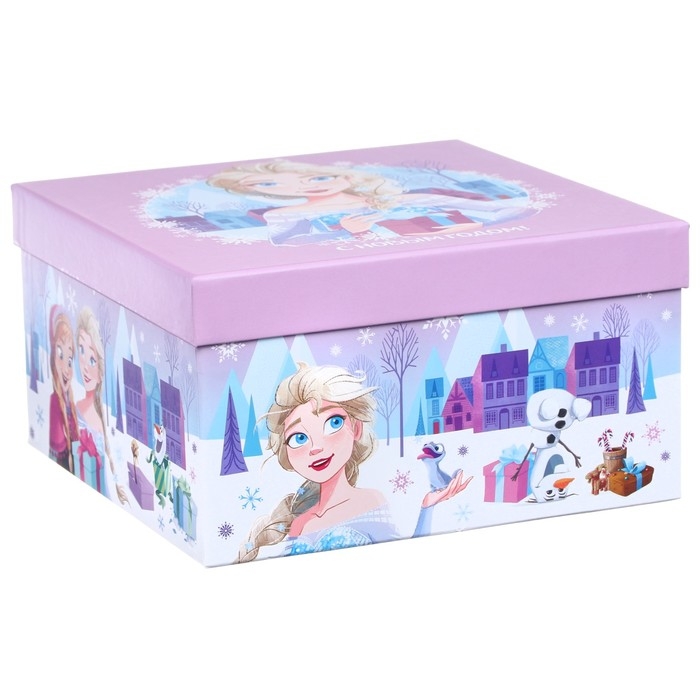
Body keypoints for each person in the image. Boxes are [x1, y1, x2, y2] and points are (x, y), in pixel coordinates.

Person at [237, 363, 470, 562]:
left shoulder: (369, 502)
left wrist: (427, 508)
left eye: (333, 423)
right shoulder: (300, 524)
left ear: (356, 428)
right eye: (299, 438)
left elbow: (403, 557)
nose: (316, 447)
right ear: (286, 452)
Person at [208, 160, 524, 246]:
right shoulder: (286, 215)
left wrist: (474, 227)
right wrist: (345, 232)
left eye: (317, 177)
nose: (305, 184)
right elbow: (286, 247)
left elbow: (509, 212)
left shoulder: (408, 199)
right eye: (268, 184)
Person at [75, 307, 128, 505]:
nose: (85, 365)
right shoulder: (76, 407)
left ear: (101, 370)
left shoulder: (100, 419)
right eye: (81, 350)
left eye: (92, 360)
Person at [48, 305, 79, 472]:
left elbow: (75, 438)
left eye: (70, 360)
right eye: (61, 354)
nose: (67, 369)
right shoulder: (55, 401)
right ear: (53, 356)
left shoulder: (69, 402)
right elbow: (58, 445)